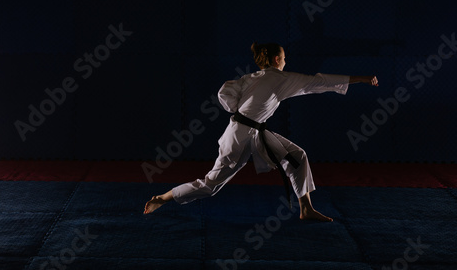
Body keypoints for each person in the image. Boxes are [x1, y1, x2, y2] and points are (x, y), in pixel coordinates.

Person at [144, 42, 378, 221]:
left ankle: (306, 208)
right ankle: (163, 198)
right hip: (239, 137)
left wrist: (238, 109)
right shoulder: (280, 77)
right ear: (277, 59)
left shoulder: (250, 78)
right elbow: (317, 82)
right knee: (211, 185)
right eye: (284, 58)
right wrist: (362, 79)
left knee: (297, 156)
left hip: (253, 134)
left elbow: (225, 92)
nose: (286, 62)